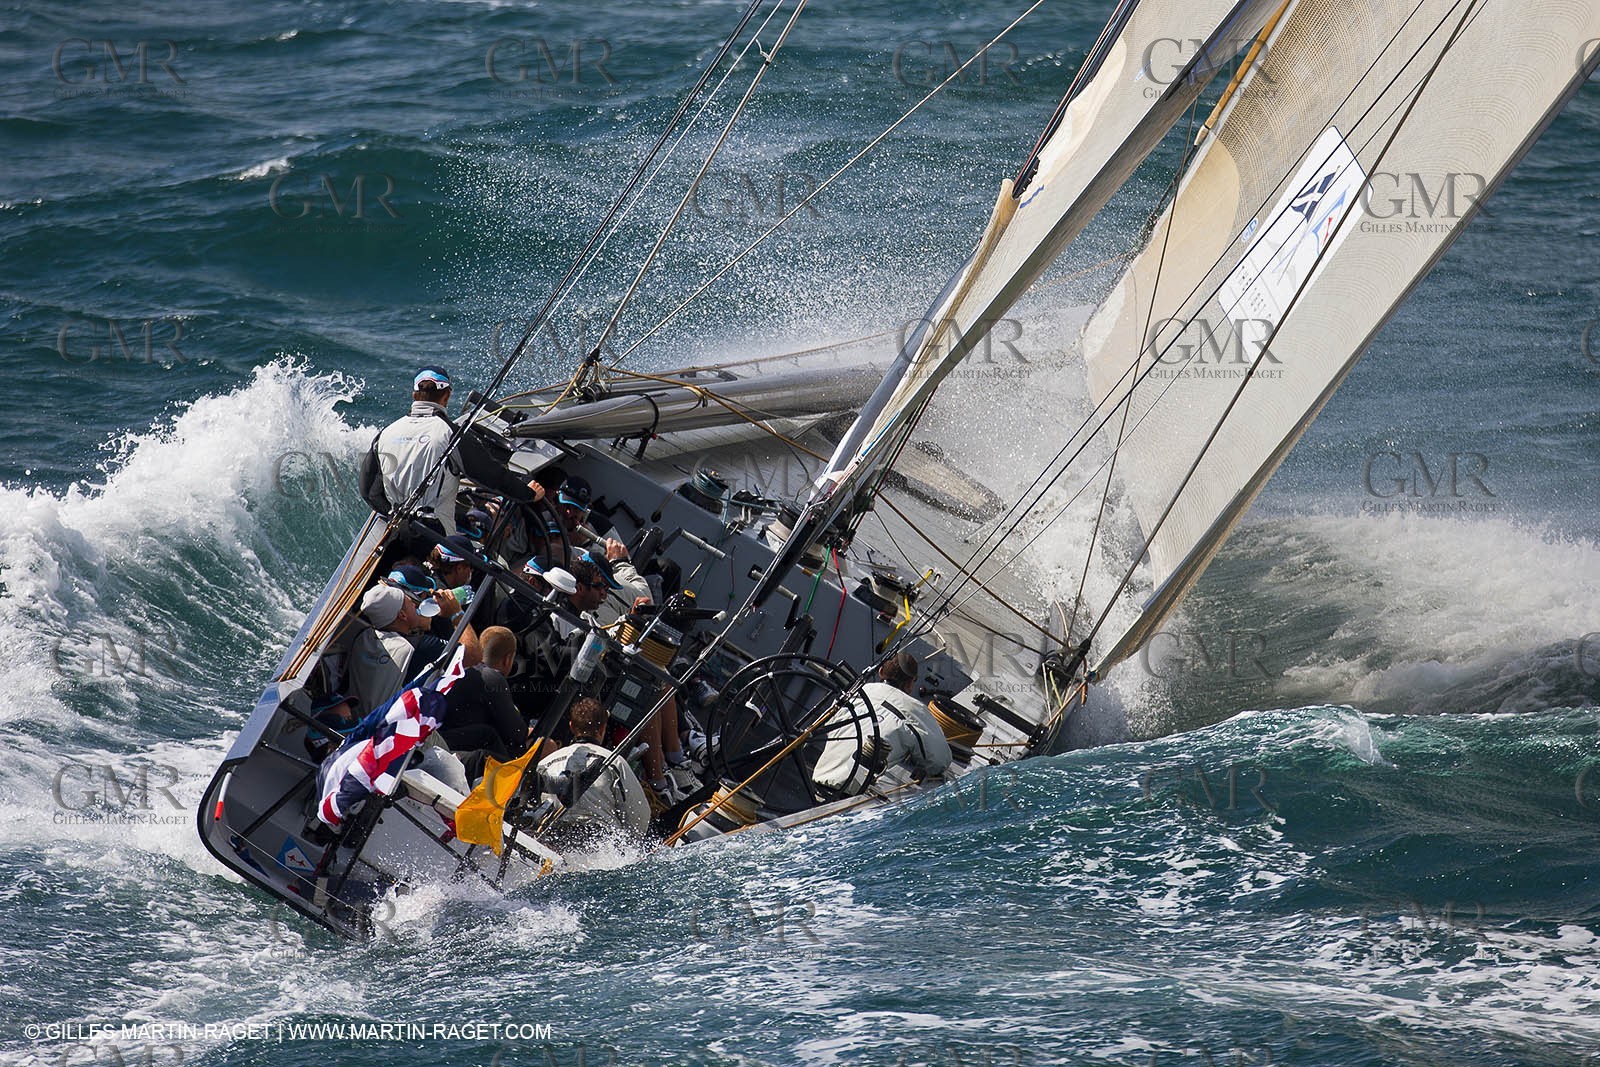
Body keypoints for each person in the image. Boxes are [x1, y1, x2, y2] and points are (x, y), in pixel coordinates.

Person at [811, 651, 951, 794]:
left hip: (819, 777)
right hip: (850, 792)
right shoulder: (916, 711)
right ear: (910, 684)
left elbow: (829, 725)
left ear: (881, 671)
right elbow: (939, 761)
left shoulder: (857, 691)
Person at [346, 580, 481, 716]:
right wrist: (456, 614)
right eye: (408, 601)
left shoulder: (363, 636)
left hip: (361, 718)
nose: (414, 603)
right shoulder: (416, 648)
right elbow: (473, 656)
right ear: (402, 615)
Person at [535, 697, 651, 845]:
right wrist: (630, 847)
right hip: (601, 843)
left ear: (571, 726)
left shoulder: (546, 763)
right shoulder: (614, 762)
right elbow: (640, 814)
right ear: (603, 728)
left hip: (555, 841)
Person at [375, 366, 463, 535]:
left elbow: (370, 492)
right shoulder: (451, 433)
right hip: (438, 536)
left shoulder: (386, 433)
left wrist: (395, 513)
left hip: (399, 531)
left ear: (414, 395)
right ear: (447, 395)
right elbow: (488, 476)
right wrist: (526, 494)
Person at [438, 625, 530, 783]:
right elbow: (517, 733)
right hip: (458, 753)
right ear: (508, 659)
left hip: (442, 742)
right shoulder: (492, 677)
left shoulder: (462, 669)